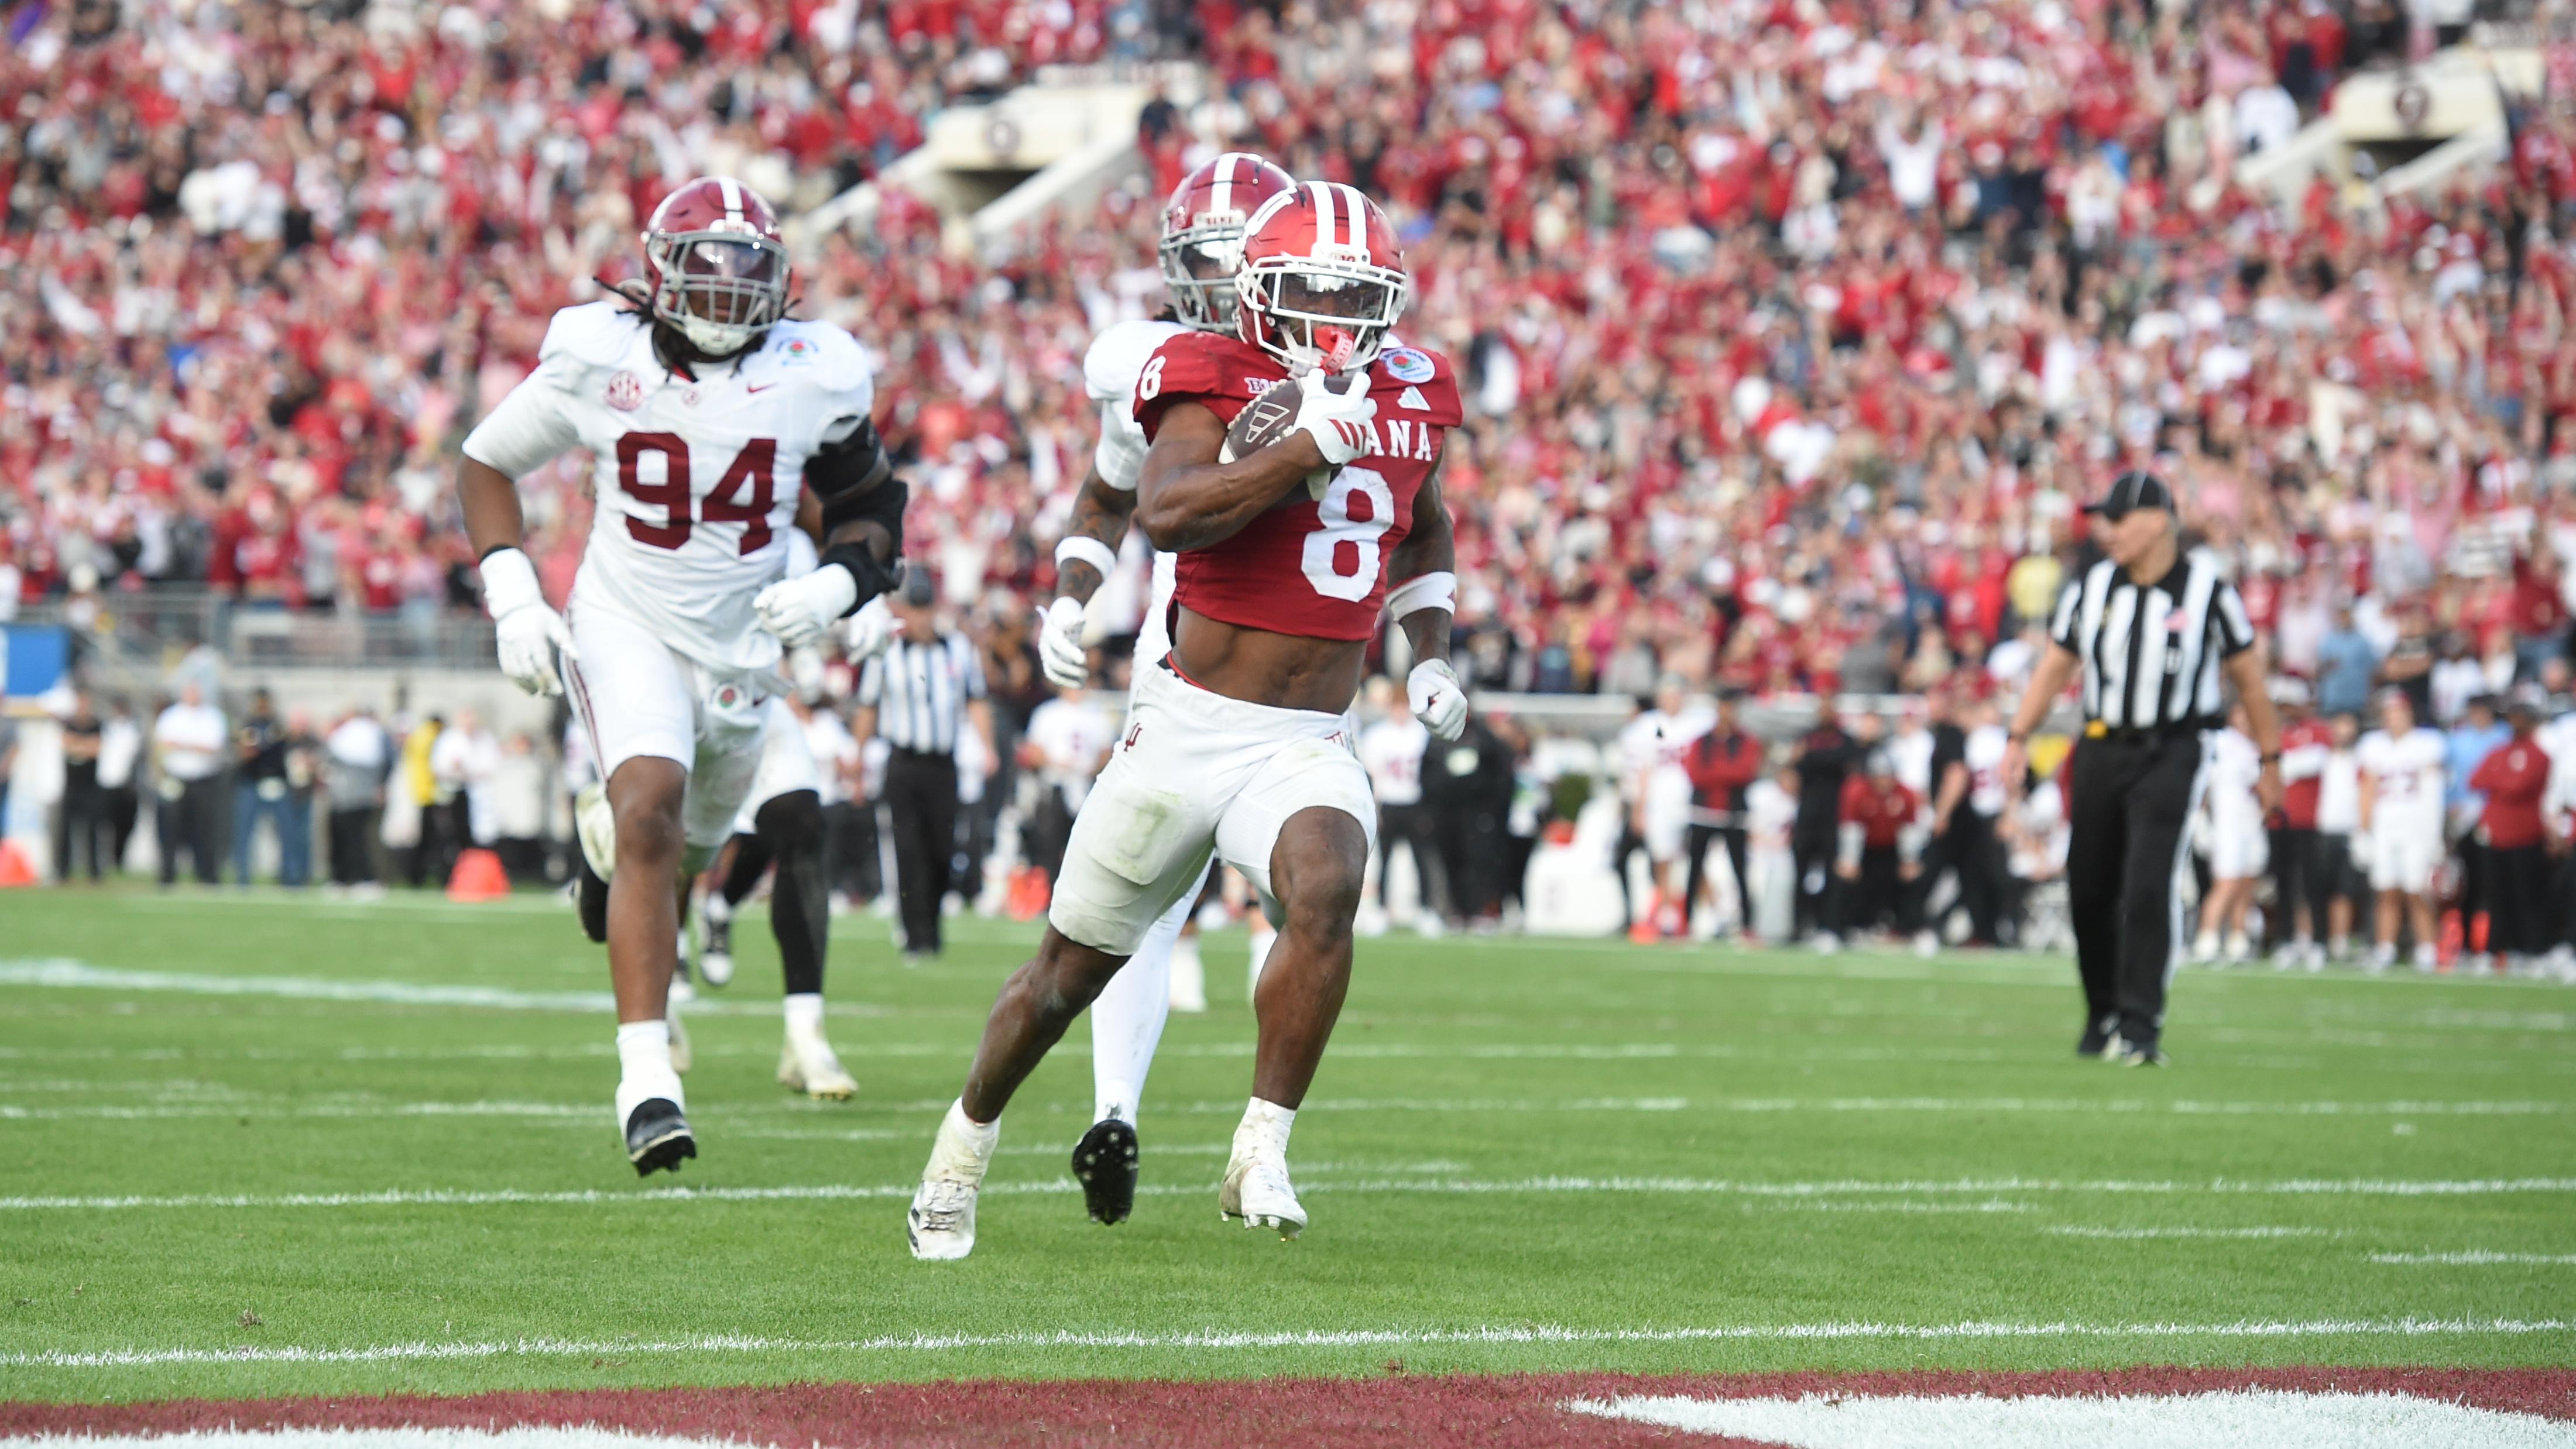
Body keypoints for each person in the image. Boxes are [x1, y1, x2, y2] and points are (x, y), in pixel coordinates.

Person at [907, 179, 1463, 1259]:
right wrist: (1304, 447)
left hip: (1306, 738)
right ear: (1259, 296)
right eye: (1311, 294)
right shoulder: (1208, 374)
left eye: (1360, 299)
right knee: (1063, 978)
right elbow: (1162, 511)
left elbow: (1424, 528)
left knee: (1330, 883)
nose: (1337, 323)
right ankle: (962, 1143)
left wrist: (1430, 650)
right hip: (1186, 725)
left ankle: (1261, 1147)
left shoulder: (1416, 389)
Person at [454, 176, 907, 1175]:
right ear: (661, 276)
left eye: (749, 277)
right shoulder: (595, 355)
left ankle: (608, 870)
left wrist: (842, 585)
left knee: (686, 848)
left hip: (743, 640)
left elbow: (874, 504)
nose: (727, 297)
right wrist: (514, 592)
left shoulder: (813, 370)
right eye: (707, 275)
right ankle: (647, 1078)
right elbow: (485, 464)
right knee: (651, 805)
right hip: (627, 616)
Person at [1024, 152, 1299, 1225]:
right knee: (1142, 894)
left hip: (1301, 659)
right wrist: (1070, 597)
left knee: (1305, 892)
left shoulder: (1348, 356)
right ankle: (1115, 1114)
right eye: (1209, 261)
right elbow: (1104, 495)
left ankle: (1261, 1141)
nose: (1224, 279)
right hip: (1187, 647)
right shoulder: (1157, 362)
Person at [2004, 471, 2280, 1066]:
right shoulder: (2094, 586)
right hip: (2101, 745)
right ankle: (2102, 1007)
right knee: (2089, 885)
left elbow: (2250, 681)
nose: (2108, 531)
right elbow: (2056, 664)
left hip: (2173, 748)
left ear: (2157, 520)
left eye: (2119, 519)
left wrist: (2271, 757)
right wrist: (2018, 735)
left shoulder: (2209, 590)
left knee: (2149, 883)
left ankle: (2140, 1023)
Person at [855, 569, 992, 963]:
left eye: (925, 608)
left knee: (942, 849)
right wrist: (858, 757)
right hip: (902, 763)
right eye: (913, 609)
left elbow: (977, 699)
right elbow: (867, 707)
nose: (920, 618)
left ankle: (932, 930)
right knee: (907, 849)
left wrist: (987, 748)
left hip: (943, 764)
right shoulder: (886, 652)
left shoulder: (959, 650)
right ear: (902, 611)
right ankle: (914, 935)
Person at [2356, 688, 2449, 973]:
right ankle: (2385, 947)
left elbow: (2434, 792)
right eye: (2389, 713)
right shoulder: (2373, 745)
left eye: (2399, 712)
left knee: (2417, 890)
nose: (2394, 718)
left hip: (2415, 826)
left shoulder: (2427, 744)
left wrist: (2435, 834)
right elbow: (2367, 789)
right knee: (2386, 890)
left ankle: (2427, 948)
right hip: (2385, 827)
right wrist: (2364, 829)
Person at [2470, 700, 2552, 975]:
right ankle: (2496, 950)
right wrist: (2504, 781)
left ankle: (2533, 950)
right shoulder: (2499, 752)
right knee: (2495, 897)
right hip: (2496, 835)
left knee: (2527, 897)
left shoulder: (2538, 754)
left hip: (2525, 835)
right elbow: (2476, 779)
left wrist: (2500, 781)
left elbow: (2520, 786)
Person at [1421, 709, 1514, 929]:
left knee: (1480, 862)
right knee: (1452, 861)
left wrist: (1493, 810)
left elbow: (1501, 777)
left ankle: (1482, 911)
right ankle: (1458, 910)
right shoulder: (1437, 740)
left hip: (1478, 813)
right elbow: (1426, 776)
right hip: (1446, 813)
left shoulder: (1484, 738)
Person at [1680, 688, 1762, 939]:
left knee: (1740, 871)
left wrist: (1715, 773)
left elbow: (1745, 773)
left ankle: (1748, 926)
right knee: (1694, 870)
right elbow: (1694, 773)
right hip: (1702, 814)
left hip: (1733, 815)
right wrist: (1725, 773)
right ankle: (1686, 923)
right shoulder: (1701, 741)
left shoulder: (1746, 741)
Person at [2193, 701, 2269, 966]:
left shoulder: (2256, 746)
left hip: (2251, 820)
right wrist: (2201, 818)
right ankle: (2207, 940)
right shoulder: (2221, 741)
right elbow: (2203, 780)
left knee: (2247, 883)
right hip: (2227, 822)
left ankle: (2239, 940)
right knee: (2226, 884)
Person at [1357, 677, 1437, 928]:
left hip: (1415, 802)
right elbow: (1373, 774)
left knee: (1421, 859)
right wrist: (1375, 806)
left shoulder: (1422, 734)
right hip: (1389, 803)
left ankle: (1426, 910)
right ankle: (1381, 910)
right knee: (1385, 860)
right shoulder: (1377, 735)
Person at [2271, 681, 2331, 968]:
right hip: (2277, 819)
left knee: (2312, 883)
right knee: (2283, 884)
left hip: (2307, 820)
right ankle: (2287, 940)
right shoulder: (2274, 732)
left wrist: (2283, 765)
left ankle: (2319, 940)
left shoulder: (2316, 730)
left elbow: (2314, 762)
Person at [1830, 748, 1918, 944]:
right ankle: (1840, 929)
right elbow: (1851, 828)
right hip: (1865, 847)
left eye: (1887, 777)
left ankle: (1905, 929)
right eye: (1878, 777)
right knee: (1846, 877)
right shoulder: (1857, 791)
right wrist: (1850, 860)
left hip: (1892, 847)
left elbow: (1909, 830)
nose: (1883, 782)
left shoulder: (1906, 794)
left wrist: (1909, 860)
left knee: (1910, 879)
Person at [1789, 708, 1860, 940]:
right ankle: (1799, 925)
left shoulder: (1844, 740)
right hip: (1807, 817)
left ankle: (1830, 926)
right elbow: (1795, 766)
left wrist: (1812, 757)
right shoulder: (1806, 737)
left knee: (1833, 875)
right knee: (1800, 874)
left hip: (1833, 818)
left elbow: (1849, 762)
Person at [153, 682, 228, 886]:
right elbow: (163, 746)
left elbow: (213, 747)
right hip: (176, 778)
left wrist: (182, 745)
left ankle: (207, 874)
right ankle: (167, 874)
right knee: (170, 828)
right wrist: (194, 746)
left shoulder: (212, 716)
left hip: (204, 780)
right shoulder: (171, 716)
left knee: (205, 829)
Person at [2313, 712, 2366, 963]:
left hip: (2349, 831)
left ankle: (2339, 940)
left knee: (2344, 891)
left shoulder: (2361, 760)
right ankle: (2311, 940)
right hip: (2321, 830)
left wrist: (2364, 830)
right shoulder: (2319, 758)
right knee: (2314, 890)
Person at [323, 704, 391, 895]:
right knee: (345, 839)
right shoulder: (363, 732)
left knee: (357, 839)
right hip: (345, 795)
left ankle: (363, 879)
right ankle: (343, 878)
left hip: (355, 795)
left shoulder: (362, 731)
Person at [231, 688, 296, 886]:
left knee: (286, 832)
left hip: (276, 782)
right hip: (251, 782)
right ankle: (243, 876)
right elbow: (242, 753)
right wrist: (249, 748)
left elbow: (288, 751)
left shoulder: (278, 726)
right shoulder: (247, 726)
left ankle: (290, 877)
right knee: (245, 832)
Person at [53, 690, 108, 881]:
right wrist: (84, 746)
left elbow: (96, 749)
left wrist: (79, 747)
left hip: (90, 785)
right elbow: (67, 745)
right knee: (65, 829)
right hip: (72, 785)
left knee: (93, 829)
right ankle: (62, 871)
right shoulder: (69, 724)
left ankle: (94, 872)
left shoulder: (97, 725)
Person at [97, 696, 143, 874]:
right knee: (104, 826)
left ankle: (119, 859)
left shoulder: (135, 729)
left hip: (127, 785)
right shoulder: (106, 728)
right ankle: (104, 861)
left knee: (126, 824)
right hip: (107, 784)